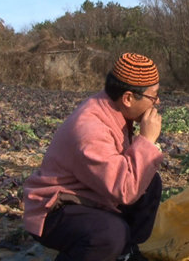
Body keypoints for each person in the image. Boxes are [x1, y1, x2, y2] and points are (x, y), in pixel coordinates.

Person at [23, 53, 164, 261]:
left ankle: (127, 251)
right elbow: (124, 190)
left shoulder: (114, 106)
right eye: (153, 97)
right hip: (55, 208)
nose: (157, 102)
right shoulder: (91, 129)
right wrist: (147, 140)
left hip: (87, 194)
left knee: (150, 182)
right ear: (128, 98)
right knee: (109, 234)